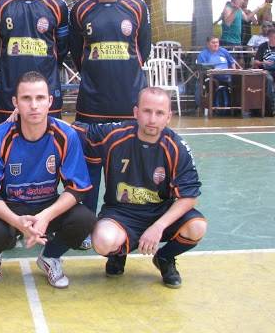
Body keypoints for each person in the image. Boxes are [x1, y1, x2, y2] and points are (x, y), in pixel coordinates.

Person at [74, 87, 207, 288]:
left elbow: (189, 196)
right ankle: (119, 253)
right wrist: (31, 117)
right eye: (147, 111)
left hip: (160, 212)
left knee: (197, 226)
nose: (152, 119)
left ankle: (164, 258)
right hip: (121, 213)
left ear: (168, 117)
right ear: (136, 112)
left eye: (159, 113)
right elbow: (75, 130)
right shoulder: (115, 135)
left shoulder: (177, 147)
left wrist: (158, 227)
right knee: (102, 241)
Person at [0, 71, 96, 288]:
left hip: (46, 204)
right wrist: (16, 222)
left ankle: (50, 257)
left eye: (40, 98)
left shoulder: (66, 135)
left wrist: (46, 217)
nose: (34, 105)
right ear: (15, 102)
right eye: (26, 98)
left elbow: (77, 188)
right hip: (10, 206)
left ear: (50, 101)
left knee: (84, 219)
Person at [69, 0, 151, 248]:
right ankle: (85, 226)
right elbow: (77, 53)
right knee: (87, 173)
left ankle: (125, 224)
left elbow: (143, 50)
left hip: (128, 108)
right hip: (91, 108)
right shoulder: (80, 9)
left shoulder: (137, 7)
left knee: (125, 172)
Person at [0, 0, 69, 125]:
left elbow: (62, 47)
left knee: (49, 145)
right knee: (8, 146)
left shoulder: (58, 5)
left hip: (47, 90)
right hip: (9, 93)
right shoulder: (0, 5)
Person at [196, 35, 239, 111]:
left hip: (227, 77)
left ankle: (236, 108)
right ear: (208, 44)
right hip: (212, 78)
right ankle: (210, 107)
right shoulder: (203, 54)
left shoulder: (223, 51)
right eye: (213, 43)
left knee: (239, 83)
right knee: (209, 84)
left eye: (217, 42)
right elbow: (201, 69)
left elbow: (232, 62)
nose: (216, 44)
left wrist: (234, 72)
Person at [253, 27, 275, 116]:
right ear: (268, 37)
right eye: (272, 36)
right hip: (265, 70)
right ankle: (271, 108)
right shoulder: (263, 46)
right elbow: (255, 61)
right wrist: (263, 62)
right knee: (269, 79)